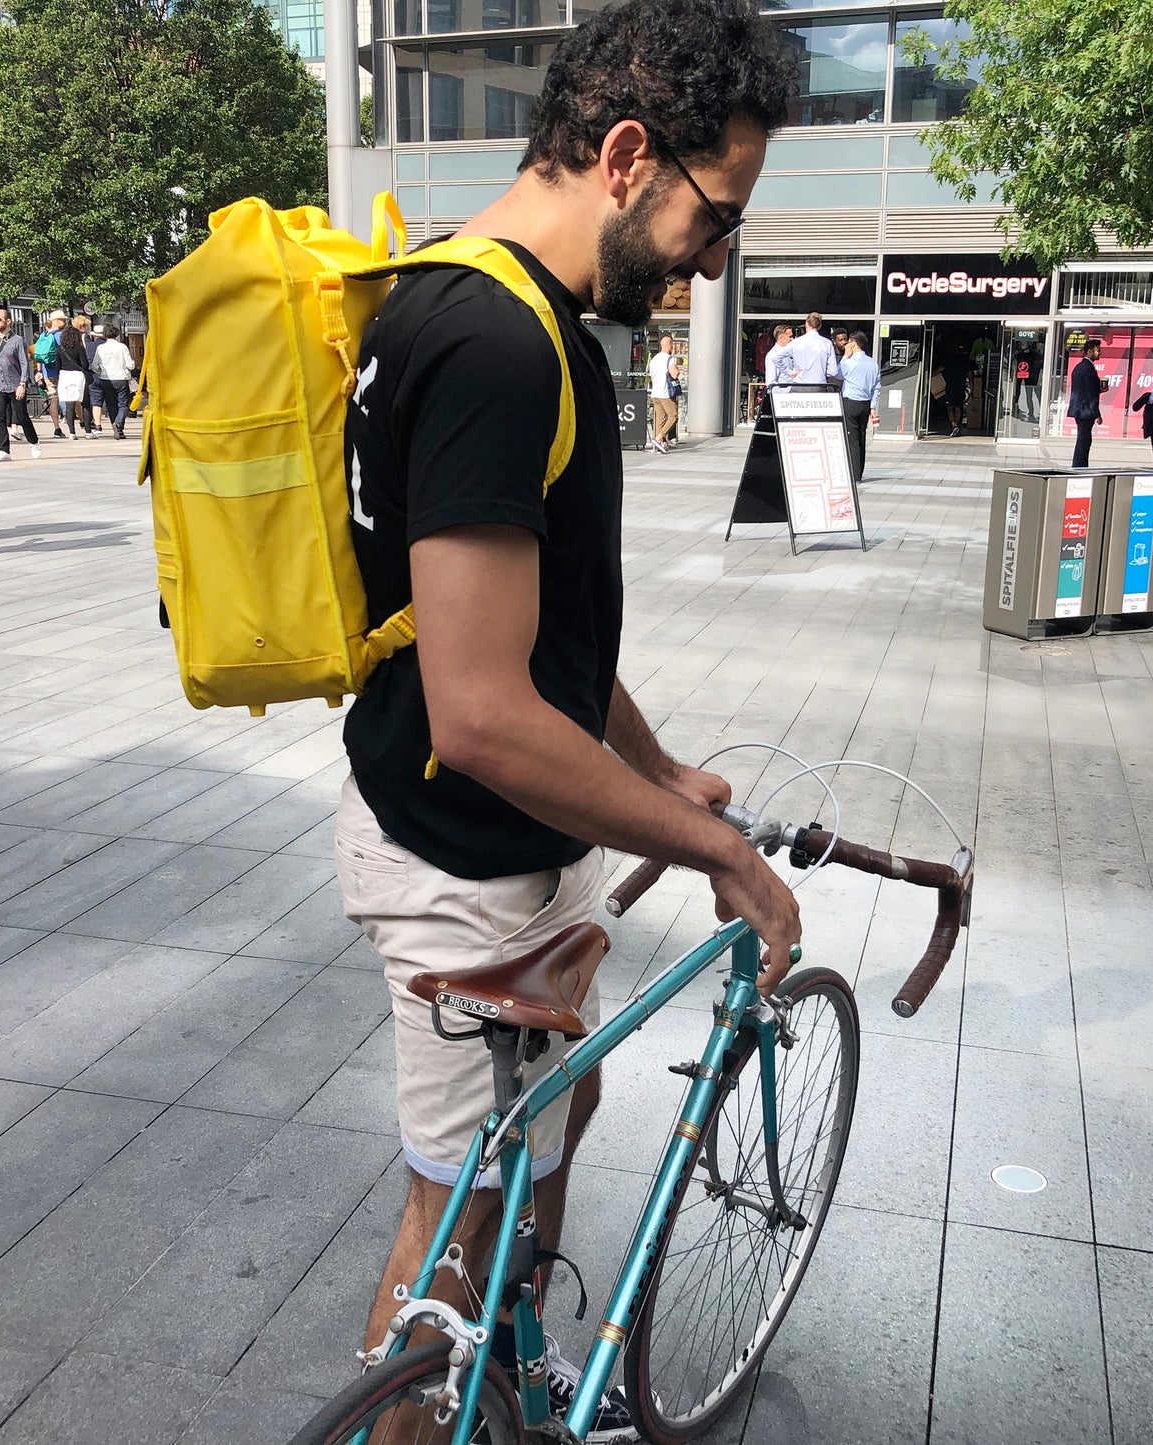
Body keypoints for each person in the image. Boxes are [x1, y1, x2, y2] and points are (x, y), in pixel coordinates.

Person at [335, 0, 801, 1435]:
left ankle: (499, 1367)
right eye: (713, 218)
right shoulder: (494, 346)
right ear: (623, 156)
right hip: (459, 850)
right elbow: (481, 712)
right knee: (449, 1209)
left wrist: (656, 770)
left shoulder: (499, 307)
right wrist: (722, 858)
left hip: (498, 841)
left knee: (553, 1113)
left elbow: (533, 638)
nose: (714, 261)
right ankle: (418, 1403)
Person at [0, 305, 41, 461]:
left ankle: (34, 441)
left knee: (22, 417)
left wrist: (22, 383)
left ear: (8, 321)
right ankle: (4, 450)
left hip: (15, 384)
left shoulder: (17, 341)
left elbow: (24, 363)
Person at [836, 330, 880, 483]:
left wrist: (845, 357)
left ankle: (854, 475)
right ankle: (859, 472)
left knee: (852, 439)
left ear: (853, 344)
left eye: (849, 342)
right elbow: (877, 386)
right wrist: (872, 407)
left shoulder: (850, 361)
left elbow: (838, 374)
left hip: (851, 402)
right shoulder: (872, 363)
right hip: (865, 404)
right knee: (861, 437)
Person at [1067, 336, 1108, 468]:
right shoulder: (1088, 369)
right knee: (1084, 440)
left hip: (1079, 409)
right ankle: (1079, 466)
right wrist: (1097, 414)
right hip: (1085, 411)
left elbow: (1083, 389)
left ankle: (1080, 465)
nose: (1100, 353)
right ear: (1089, 351)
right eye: (1097, 350)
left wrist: (1098, 389)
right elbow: (1090, 395)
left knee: (1083, 439)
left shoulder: (1079, 367)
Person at [91, 325, 135, 439]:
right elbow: (130, 364)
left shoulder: (100, 348)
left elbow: (95, 365)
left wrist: (100, 370)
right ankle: (119, 425)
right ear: (117, 334)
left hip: (106, 379)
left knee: (111, 405)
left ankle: (116, 426)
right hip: (121, 378)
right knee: (123, 404)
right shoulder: (122, 347)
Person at [55, 313, 91, 437]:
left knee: (69, 405)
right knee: (84, 403)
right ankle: (87, 430)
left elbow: (57, 365)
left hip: (65, 376)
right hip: (78, 376)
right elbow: (85, 364)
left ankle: (72, 432)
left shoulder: (60, 348)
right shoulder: (79, 348)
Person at [33, 310, 67, 437]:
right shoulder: (60, 336)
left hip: (48, 372)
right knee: (70, 398)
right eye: (62, 320)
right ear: (56, 321)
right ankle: (78, 424)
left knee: (53, 399)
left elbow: (39, 356)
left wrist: (39, 371)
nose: (64, 322)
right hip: (62, 371)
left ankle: (56, 428)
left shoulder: (43, 336)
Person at [647, 333, 680, 452]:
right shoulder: (669, 359)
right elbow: (674, 374)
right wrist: (677, 370)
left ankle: (657, 445)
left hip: (655, 393)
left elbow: (650, 377)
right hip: (665, 393)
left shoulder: (654, 359)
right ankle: (660, 438)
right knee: (673, 416)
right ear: (669, 345)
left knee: (660, 419)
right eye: (671, 343)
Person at [785, 310, 836, 385]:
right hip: (819, 385)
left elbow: (776, 357)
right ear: (819, 326)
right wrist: (821, 372)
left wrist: (789, 372)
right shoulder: (827, 343)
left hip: (799, 384)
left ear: (806, 324)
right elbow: (833, 371)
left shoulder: (796, 342)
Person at [940, 342, 971, 435]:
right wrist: (972, 391)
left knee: (950, 407)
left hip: (950, 387)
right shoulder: (965, 363)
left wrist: (929, 376)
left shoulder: (949, 361)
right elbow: (971, 376)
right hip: (960, 388)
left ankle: (954, 425)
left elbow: (939, 369)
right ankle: (956, 424)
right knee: (958, 407)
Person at [84, 322, 106, 435]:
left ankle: (98, 425)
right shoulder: (108, 345)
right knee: (111, 401)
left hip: (93, 375)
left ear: (94, 335)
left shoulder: (90, 346)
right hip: (108, 376)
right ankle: (116, 424)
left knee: (96, 401)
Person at [763, 321, 796, 396]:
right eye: (790, 337)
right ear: (781, 338)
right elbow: (771, 383)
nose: (792, 339)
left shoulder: (789, 353)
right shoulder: (773, 355)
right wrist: (780, 399)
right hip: (783, 397)